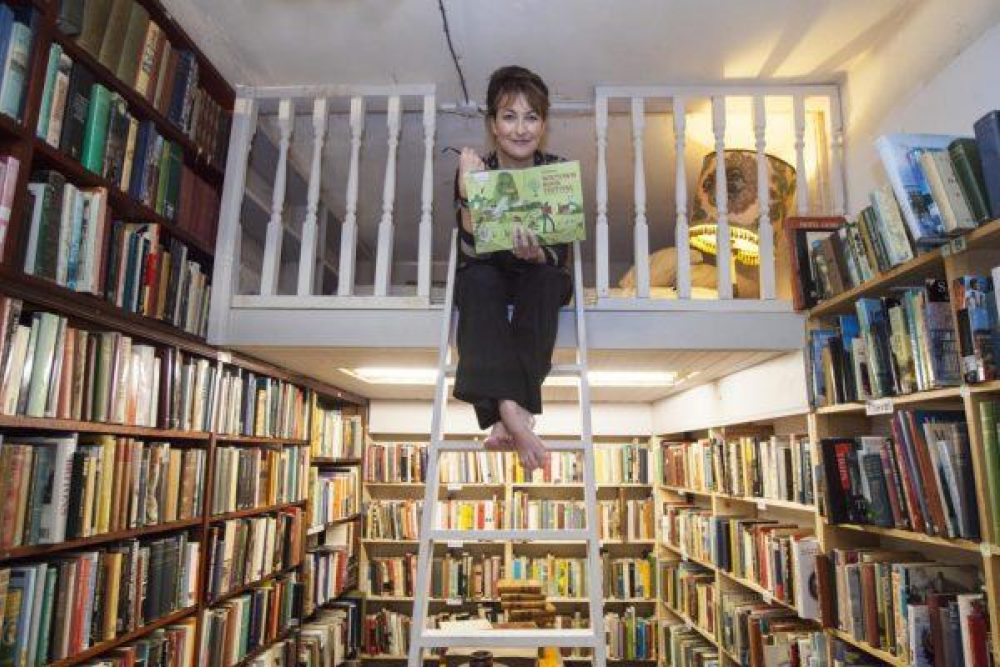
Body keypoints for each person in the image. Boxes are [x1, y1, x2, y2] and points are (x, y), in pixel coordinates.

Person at [452, 65, 572, 472]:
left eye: (531, 117)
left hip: (536, 273)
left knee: (548, 280)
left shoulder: (555, 170)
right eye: (509, 116)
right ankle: (513, 410)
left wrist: (538, 254)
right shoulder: (476, 169)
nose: (520, 129)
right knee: (476, 282)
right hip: (490, 272)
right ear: (493, 125)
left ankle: (503, 411)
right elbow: (469, 252)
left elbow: (561, 251)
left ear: (543, 124)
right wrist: (469, 191)